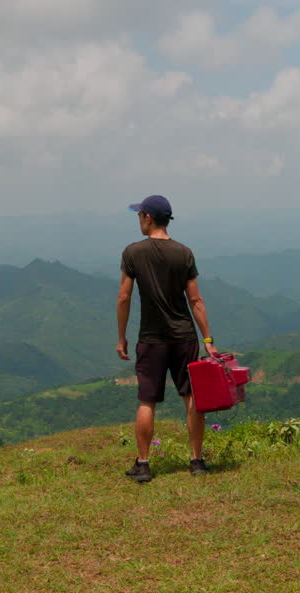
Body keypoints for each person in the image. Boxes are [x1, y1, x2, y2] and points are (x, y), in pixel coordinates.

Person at [116, 194, 217, 483]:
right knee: (191, 397)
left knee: (147, 400)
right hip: (185, 337)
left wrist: (121, 337)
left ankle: (144, 464)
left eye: (139, 215)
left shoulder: (133, 253)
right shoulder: (184, 253)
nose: (138, 220)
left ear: (148, 217)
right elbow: (195, 299)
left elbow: (124, 297)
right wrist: (208, 340)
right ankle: (197, 460)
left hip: (151, 338)